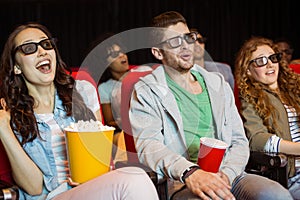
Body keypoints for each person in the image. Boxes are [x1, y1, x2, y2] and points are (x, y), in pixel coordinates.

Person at [128, 11, 293, 200]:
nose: (186, 46)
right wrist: (190, 172)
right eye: (174, 42)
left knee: (276, 195)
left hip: (230, 175)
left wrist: (227, 174)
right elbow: (148, 146)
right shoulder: (147, 90)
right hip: (184, 180)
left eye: (188, 37)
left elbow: (239, 141)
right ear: (158, 52)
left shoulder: (217, 83)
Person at [0, 23, 159, 200]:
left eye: (46, 44)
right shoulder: (12, 112)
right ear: (17, 67)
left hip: (91, 187)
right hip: (50, 196)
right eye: (29, 48)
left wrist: (91, 174)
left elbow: (100, 158)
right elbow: (34, 187)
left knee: (136, 177)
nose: (42, 51)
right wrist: (3, 128)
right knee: (134, 180)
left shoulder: (82, 91)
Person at [235, 36, 300, 199]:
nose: (270, 64)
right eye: (260, 61)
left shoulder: (294, 87)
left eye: (272, 58)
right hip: (293, 176)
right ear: (248, 70)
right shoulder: (250, 96)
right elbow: (257, 140)